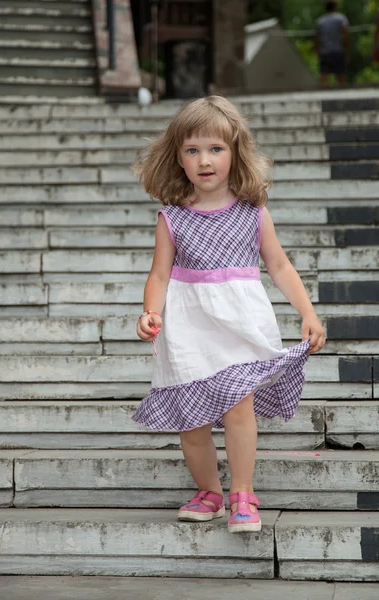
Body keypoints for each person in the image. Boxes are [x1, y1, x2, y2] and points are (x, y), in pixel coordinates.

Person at [133, 96, 326, 533]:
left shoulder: (253, 212)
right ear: (178, 158)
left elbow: (279, 266)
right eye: (192, 150)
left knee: (240, 408)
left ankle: (242, 491)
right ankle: (209, 491)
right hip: (188, 326)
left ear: (235, 153)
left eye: (216, 149)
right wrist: (150, 312)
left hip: (239, 322)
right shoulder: (172, 218)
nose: (205, 160)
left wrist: (308, 313)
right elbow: (159, 275)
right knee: (193, 419)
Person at [315, 1, 350, 85]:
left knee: (324, 76)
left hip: (325, 52)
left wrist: (318, 51)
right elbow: (346, 35)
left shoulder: (320, 21)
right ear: (335, 7)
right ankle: (344, 96)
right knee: (340, 76)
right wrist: (347, 51)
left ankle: (322, 96)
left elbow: (316, 38)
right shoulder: (341, 18)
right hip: (337, 50)